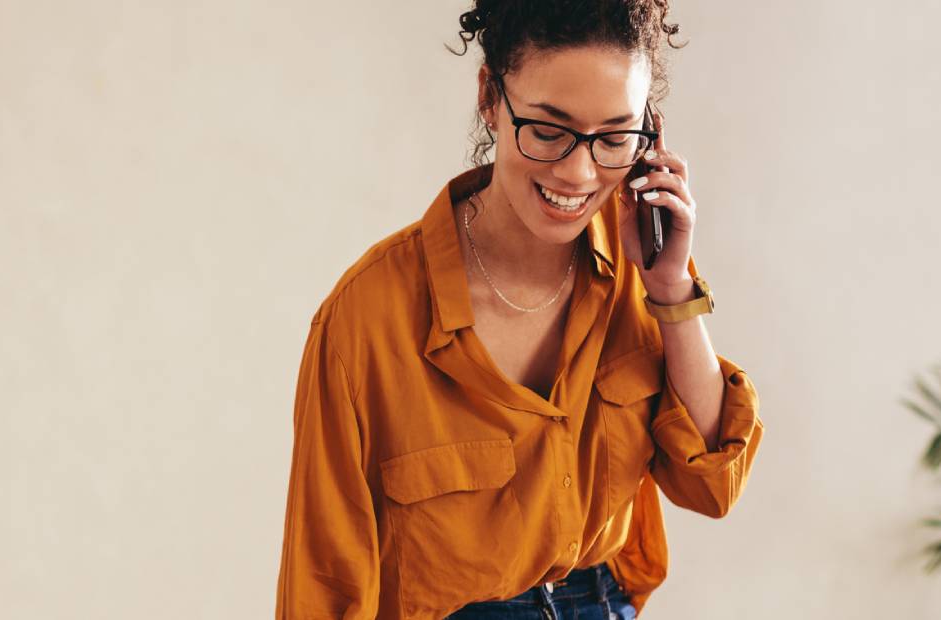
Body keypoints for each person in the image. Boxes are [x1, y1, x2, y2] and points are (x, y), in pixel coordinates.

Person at [276, 1, 763, 618]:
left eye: (615, 136)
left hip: (598, 601)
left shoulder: (638, 260)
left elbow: (712, 484)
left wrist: (670, 290)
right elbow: (324, 587)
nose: (580, 171)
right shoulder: (368, 318)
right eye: (549, 130)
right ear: (490, 96)